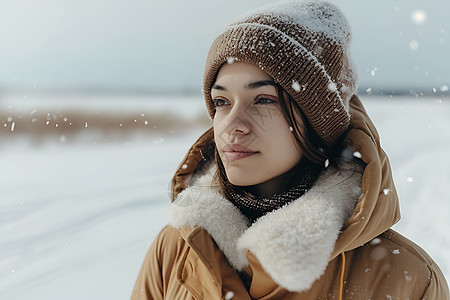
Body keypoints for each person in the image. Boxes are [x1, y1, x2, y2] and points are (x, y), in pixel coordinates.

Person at [131, 0, 449, 299]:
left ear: (317, 121)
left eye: (264, 100)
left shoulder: (406, 277)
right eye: (222, 102)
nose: (232, 125)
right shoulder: (175, 249)